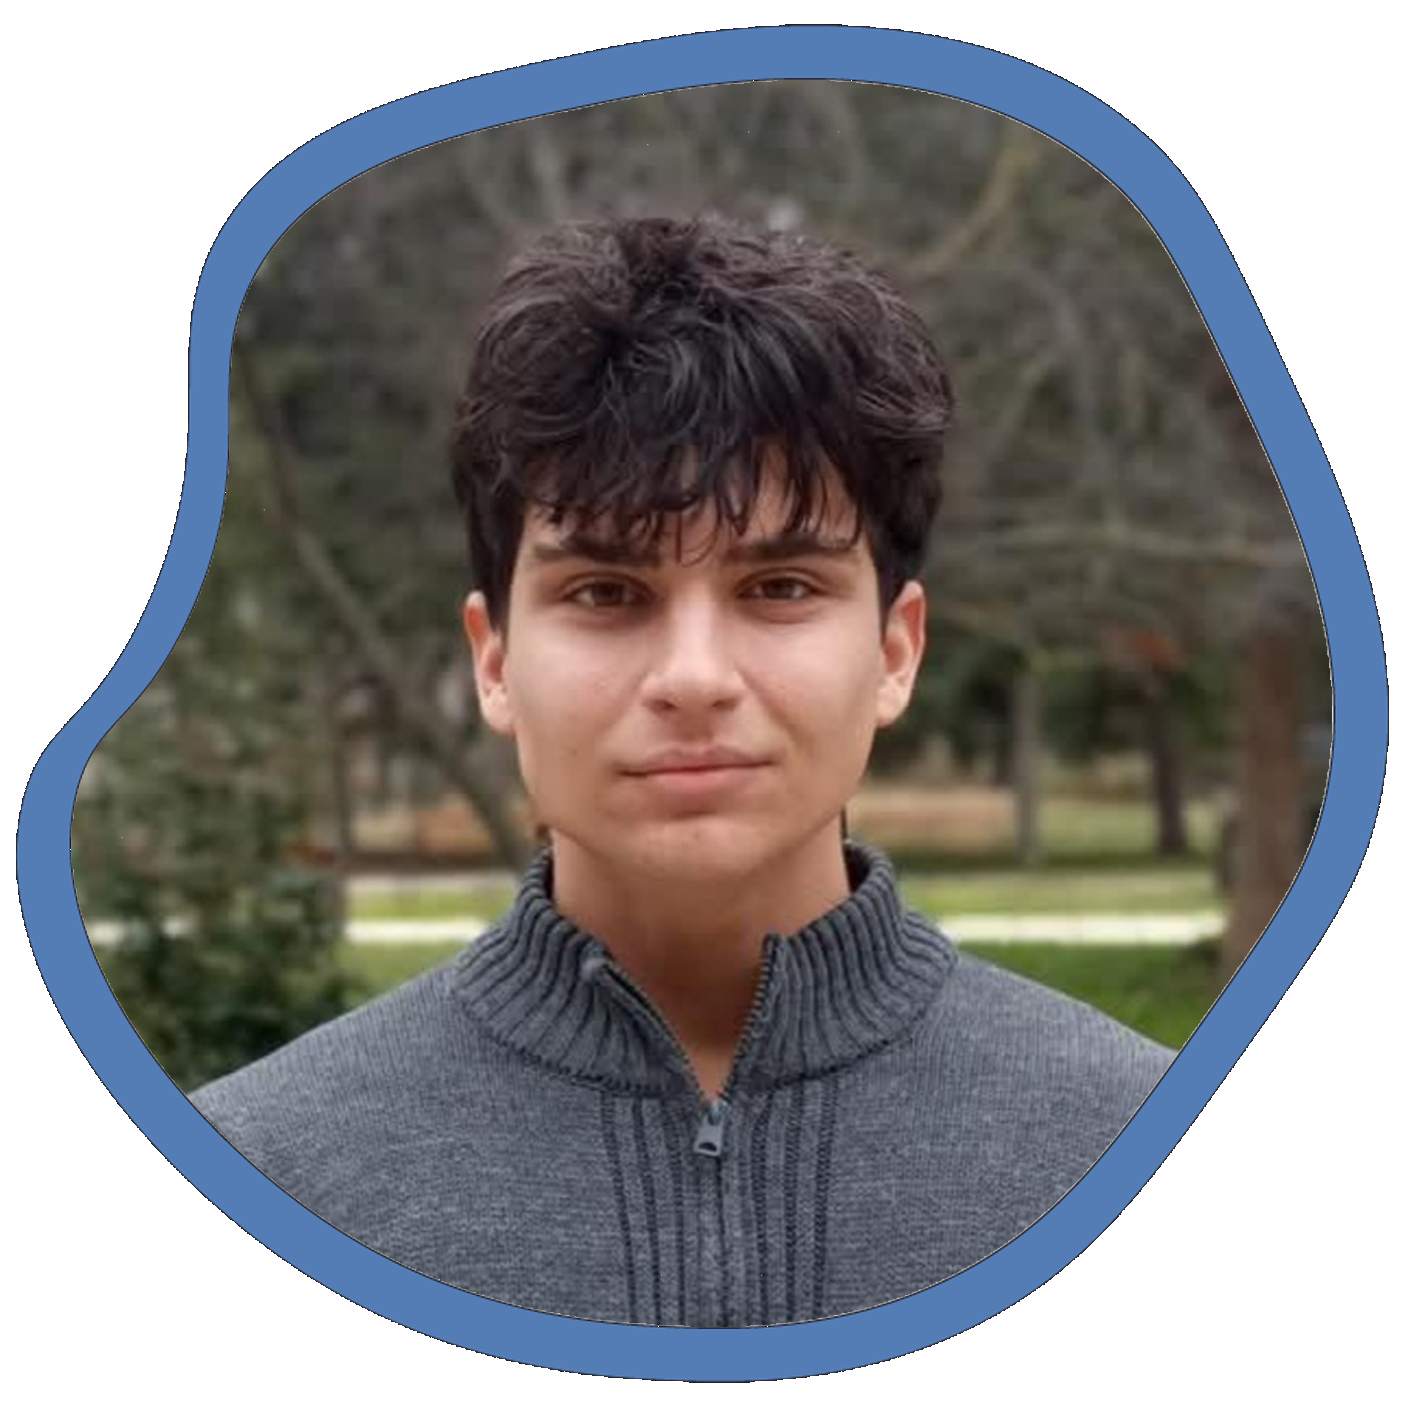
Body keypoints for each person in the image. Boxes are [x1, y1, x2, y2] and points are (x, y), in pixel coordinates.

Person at [193, 216, 1172, 1328]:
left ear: (895, 652)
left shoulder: (1150, 1161)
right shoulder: (250, 1184)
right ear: (495, 662)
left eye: (781, 588)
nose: (694, 678)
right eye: (606, 593)